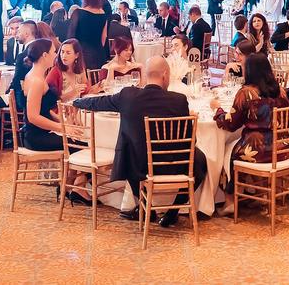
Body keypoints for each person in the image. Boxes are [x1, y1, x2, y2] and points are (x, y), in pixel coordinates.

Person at [76, 55, 207, 226]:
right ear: (165, 75)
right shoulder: (179, 100)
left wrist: (77, 102)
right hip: (174, 165)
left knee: (128, 148)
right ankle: (173, 211)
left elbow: (100, 102)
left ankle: (144, 205)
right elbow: (190, 140)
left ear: (146, 74)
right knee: (200, 159)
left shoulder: (128, 95)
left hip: (139, 166)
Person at [213, 52, 289, 168]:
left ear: (249, 71)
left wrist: (218, 110)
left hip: (257, 150)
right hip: (282, 148)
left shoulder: (246, 93)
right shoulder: (281, 91)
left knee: (224, 149)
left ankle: (233, 180)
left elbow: (231, 124)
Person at [19, 38, 64, 152]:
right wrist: (61, 127)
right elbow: (33, 117)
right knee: (83, 142)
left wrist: (61, 121)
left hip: (41, 132)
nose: (56, 55)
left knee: (81, 137)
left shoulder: (36, 76)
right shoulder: (36, 81)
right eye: (54, 52)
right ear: (45, 55)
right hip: (37, 137)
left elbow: (43, 109)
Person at [66, 0, 109, 71]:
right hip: (99, 54)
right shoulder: (102, 13)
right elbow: (104, 36)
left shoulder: (78, 13)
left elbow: (71, 37)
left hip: (82, 55)